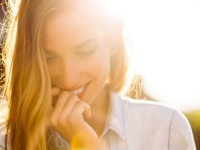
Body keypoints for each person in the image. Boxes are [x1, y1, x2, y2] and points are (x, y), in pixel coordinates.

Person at [0, 0, 196, 149]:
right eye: (49, 58)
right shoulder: (6, 142)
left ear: (112, 43)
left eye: (85, 52)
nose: (69, 79)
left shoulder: (166, 129)